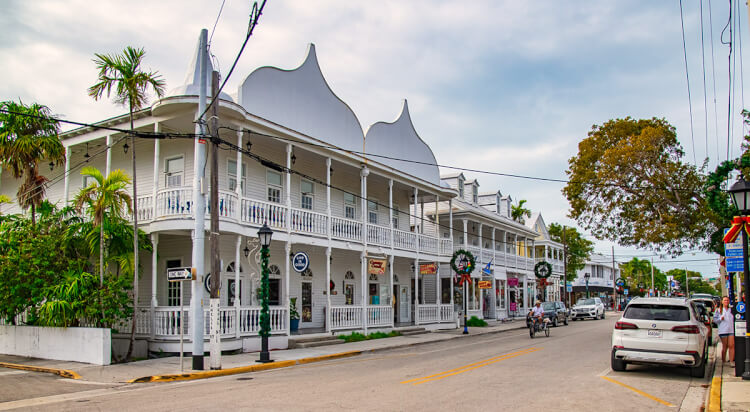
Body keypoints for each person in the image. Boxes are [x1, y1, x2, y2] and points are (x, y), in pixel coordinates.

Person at [714, 296, 735, 366]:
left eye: (727, 300)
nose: (726, 302)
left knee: (731, 345)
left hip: (731, 330)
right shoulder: (718, 310)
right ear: (722, 302)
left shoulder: (731, 310)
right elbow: (715, 320)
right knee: (725, 346)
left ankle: (731, 361)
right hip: (723, 330)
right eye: (725, 300)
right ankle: (723, 360)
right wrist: (720, 318)